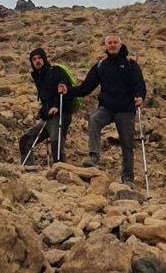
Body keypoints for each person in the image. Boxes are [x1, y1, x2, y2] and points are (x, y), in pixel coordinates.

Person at [59, 34, 146, 184]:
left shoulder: (131, 64)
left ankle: (127, 178)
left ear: (120, 44)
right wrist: (69, 91)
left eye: (115, 42)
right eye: (109, 43)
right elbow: (86, 87)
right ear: (105, 46)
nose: (112, 45)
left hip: (125, 109)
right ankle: (94, 156)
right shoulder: (100, 65)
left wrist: (140, 97)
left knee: (127, 143)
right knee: (94, 118)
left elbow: (139, 85)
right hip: (106, 108)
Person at [19, 48, 73, 164]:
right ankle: (27, 170)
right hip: (47, 117)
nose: (37, 61)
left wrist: (57, 106)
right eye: (34, 59)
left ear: (44, 59)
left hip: (61, 114)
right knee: (25, 140)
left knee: (56, 145)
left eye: (39, 58)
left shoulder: (56, 71)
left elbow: (68, 89)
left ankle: (63, 173)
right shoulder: (38, 77)